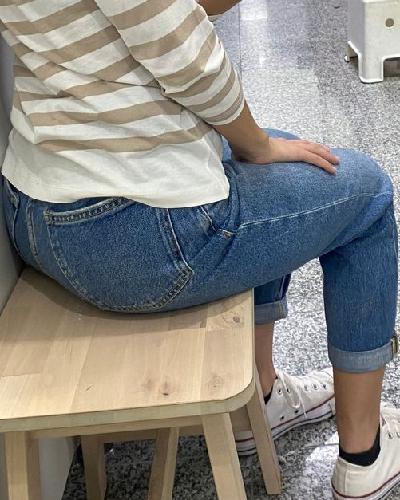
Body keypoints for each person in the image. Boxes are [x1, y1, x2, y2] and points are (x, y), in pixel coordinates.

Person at [0, 1, 398, 498]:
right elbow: (185, 55)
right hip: (135, 228)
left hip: (37, 206)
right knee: (368, 196)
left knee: (284, 154)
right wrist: (256, 145)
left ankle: (262, 399)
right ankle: (364, 456)